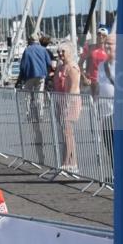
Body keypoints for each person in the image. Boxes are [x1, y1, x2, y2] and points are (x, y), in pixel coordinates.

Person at [55, 43, 82, 172]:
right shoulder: (60, 66)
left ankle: (68, 162)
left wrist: (66, 106)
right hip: (61, 101)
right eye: (58, 52)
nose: (60, 54)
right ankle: (71, 162)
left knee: (68, 133)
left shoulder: (72, 67)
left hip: (71, 103)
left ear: (70, 52)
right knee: (66, 133)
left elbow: (73, 89)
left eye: (63, 51)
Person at [96, 33, 115, 173]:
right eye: (106, 43)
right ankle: (116, 173)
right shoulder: (102, 65)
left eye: (111, 43)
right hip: (105, 113)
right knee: (109, 145)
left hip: (121, 114)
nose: (107, 45)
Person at [80, 26, 110, 96]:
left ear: (107, 37)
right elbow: (79, 64)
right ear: (96, 35)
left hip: (105, 82)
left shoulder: (109, 50)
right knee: (93, 104)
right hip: (91, 82)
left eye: (104, 35)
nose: (101, 36)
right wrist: (83, 77)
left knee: (104, 104)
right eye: (99, 34)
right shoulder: (90, 48)